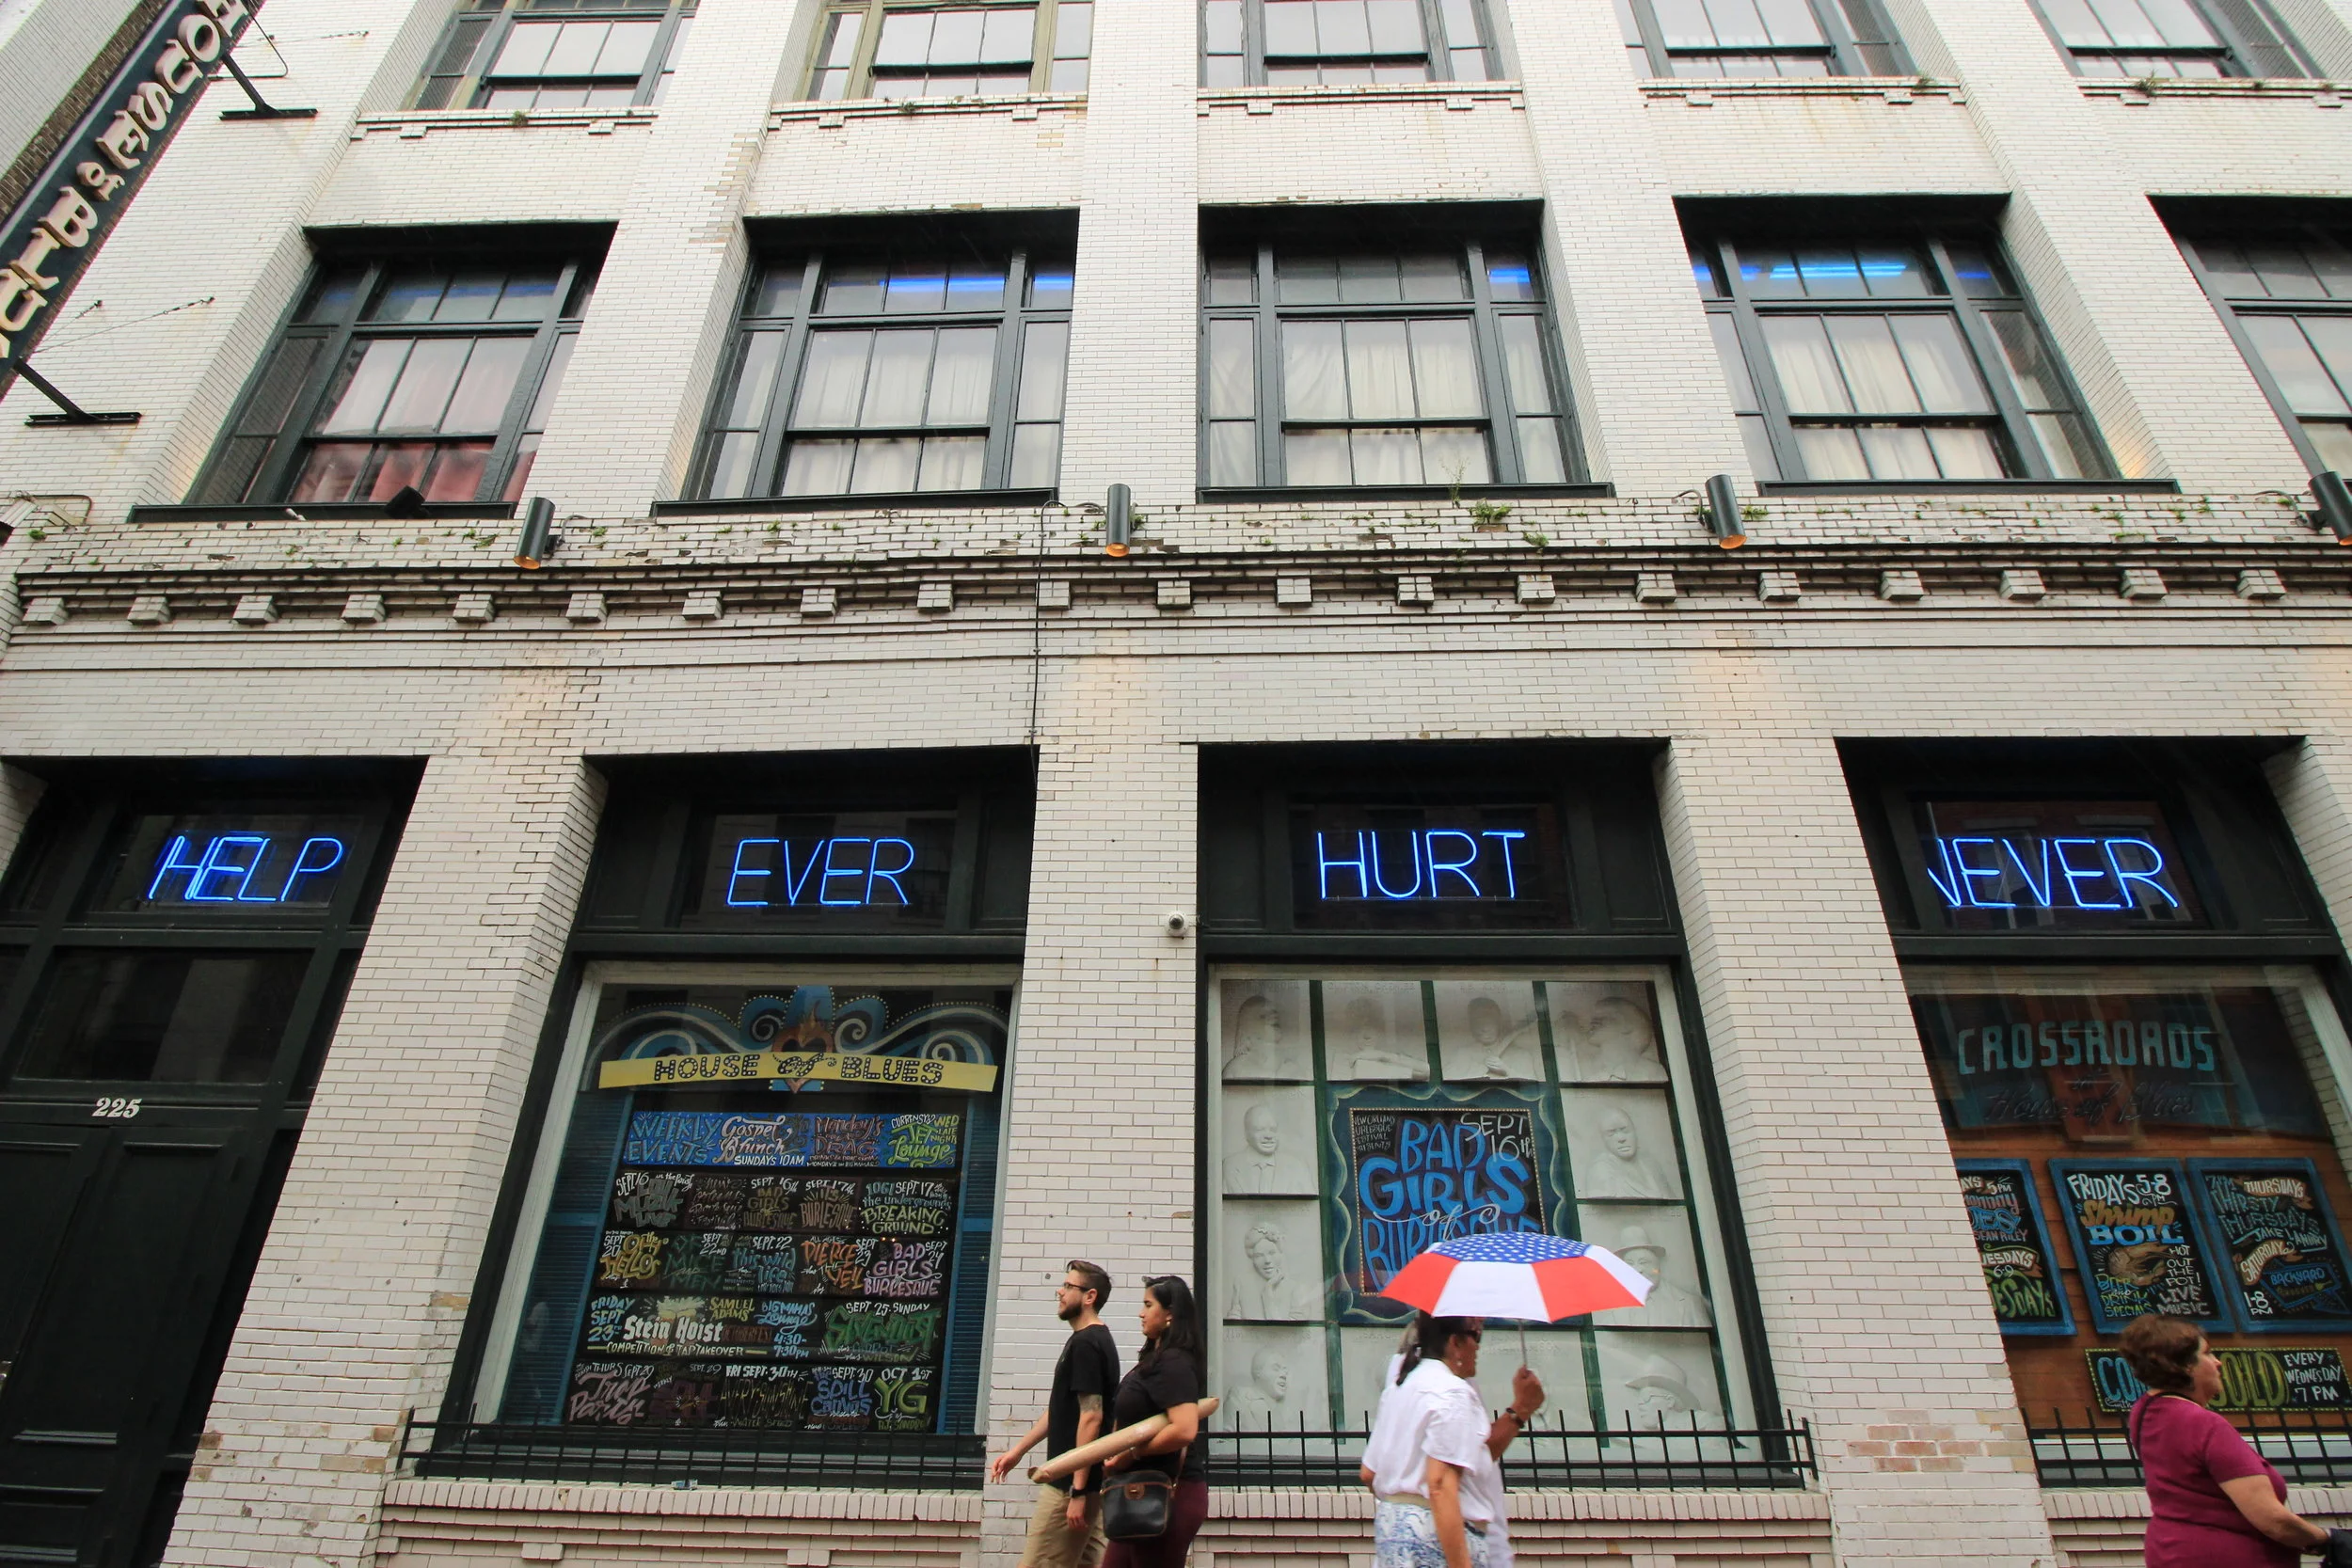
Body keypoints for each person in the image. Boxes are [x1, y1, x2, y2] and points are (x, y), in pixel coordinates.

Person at [2122, 1313, 2352, 1567]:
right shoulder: (2203, 1424)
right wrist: (2329, 1539)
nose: (2218, 1363)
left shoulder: (2144, 1414)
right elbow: (2272, 1520)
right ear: (2185, 1364)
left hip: (2169, 1552)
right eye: (2207, 1353)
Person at [1359, 1314, 1544, 1568]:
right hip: (1437, 1543)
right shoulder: (1452, 1393)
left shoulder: (1400, 1388)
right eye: (1475, 1336)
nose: (1478, 1346)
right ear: (1455, 1343)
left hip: (1393, 1538)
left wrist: (1404, 1510)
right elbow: (1440, 1484)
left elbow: (1369, 1473)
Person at [990, 1261, 1122, 1568]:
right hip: (1081, 1486)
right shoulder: (1091, 1340)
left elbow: (1092, 1417)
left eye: (1068, 1286)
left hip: (1069, 1488)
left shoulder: (1088, 1344)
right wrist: (1018, 1451)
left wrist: (1076, 1490)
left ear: (1089, 1296)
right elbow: (1062, 1411)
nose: (1060, 1292)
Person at [1099, 1275, 1210, 1568]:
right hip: (1137, 1492)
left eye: (1149, 1305)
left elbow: (1184, 1429)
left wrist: (1130, 1455)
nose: (1141, 1312)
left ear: (1170, 1313)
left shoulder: (1174, 1363)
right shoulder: (1155, 1359)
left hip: (1167, 1494)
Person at [1596, 1226, 1710, 1328]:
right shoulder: (1609, 1307)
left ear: (1658, 1266)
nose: (1638, 1270)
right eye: (1630, 1264)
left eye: (1644, 1262)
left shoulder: (1689, 1303)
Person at [1577, 1105, 1676, 1199]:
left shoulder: (1651, 1166)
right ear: (1602, 1139)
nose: (1621, 1138)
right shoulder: (1601, 1170)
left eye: (1626, 1131)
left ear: (1635, 1131)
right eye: (1611, 1134)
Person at [1561, 994, 1665, 1082]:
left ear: (1627, 1025)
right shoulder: (1592, 1077)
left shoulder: (1652, 1071)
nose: (1592, 1021)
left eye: (1603, 1015)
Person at [1229, 1218, 1320, 1319]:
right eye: (1259, 1256)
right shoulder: (1242, 1284)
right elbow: (1234, 1324)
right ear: (1252, 1259)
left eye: (1272, 1253)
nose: (1267, 1260)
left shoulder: (1297, 1288)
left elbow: (1288, 1332)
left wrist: (1268, 1294)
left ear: (1280, 1253)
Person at [1224, 1102, 1294, 1193]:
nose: (1268, 1136)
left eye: (1273, 1130)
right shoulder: (1228, 1166)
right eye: (1260, 1130)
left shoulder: (1297, 1168)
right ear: (1247, 1134)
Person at [1225, 1345, 1294, 1427]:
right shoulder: (1239, 1397)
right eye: (1276, 1369)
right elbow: (1228, 1438)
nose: (1283, 1375)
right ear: (1258, 1371)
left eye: (1285, 1371)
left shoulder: (1288, 1410)